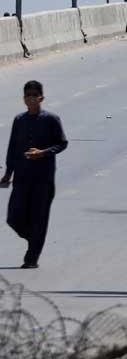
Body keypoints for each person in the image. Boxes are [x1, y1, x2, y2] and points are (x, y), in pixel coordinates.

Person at [2, 81, 68, 269]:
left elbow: (62, 143)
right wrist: (8, 173)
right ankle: (34, 238)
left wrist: (43, 153)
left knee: (39, 216)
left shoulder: (51, 119)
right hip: (22, 177)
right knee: (13, 217)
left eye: (34, 95)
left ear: (41, 98)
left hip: (43, 178)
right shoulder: (19, 120)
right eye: (27, 95)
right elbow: (12, 148)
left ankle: (31, 258)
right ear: (23, 99)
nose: (30, 98)